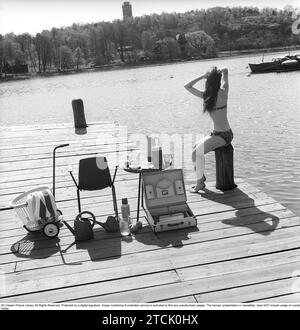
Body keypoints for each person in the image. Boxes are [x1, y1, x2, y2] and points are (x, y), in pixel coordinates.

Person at [184, 66, 233, 192]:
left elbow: (187, 86)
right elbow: (226, 72)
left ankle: (200, 182)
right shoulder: (223, 91)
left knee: (196, 153)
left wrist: (202, 76)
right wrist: (220, 73)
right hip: (220, 133)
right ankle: (201, 178)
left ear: (208, 82)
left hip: (223, 136)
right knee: (195, 148)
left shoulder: (207, 96)